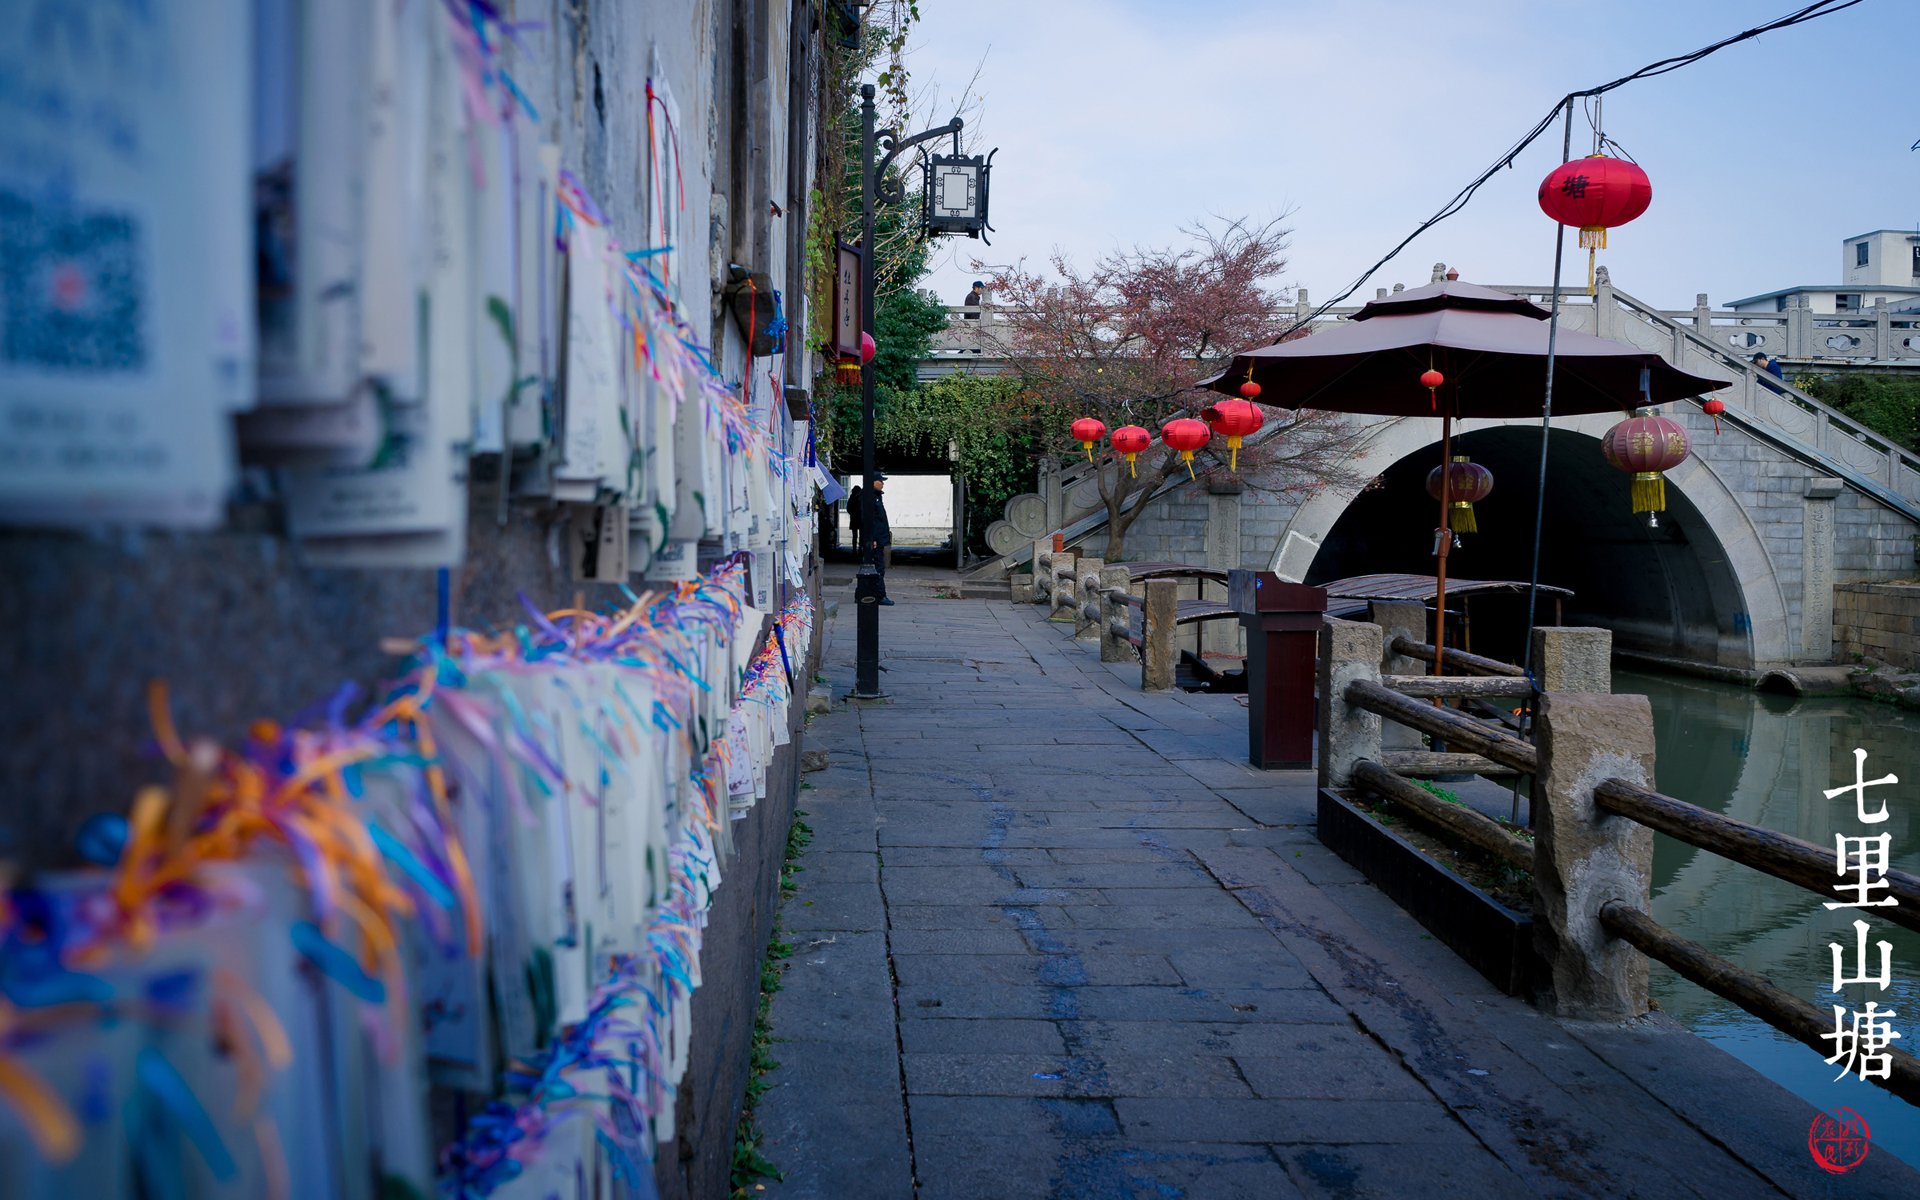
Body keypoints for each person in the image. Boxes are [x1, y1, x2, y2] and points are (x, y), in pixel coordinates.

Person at [865, 472, 894, 605]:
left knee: (872, 566)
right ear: (873, 482)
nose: (883, 483)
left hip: (879, 539)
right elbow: (869, 520)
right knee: (878, 568)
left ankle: (863, 592)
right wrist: (873, 539)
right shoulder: (869, 497)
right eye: (880, 481)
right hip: (875, 540)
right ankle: (880, 595)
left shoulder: (876, 496)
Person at [845, 483, 864, 551]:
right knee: (861, 535)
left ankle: (854, 549)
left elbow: (848, 509)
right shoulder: (861, 498)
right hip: (860, 518)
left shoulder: (851, 498)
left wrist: (852, 514)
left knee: (854, 535)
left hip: (853, 519)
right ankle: (860, 548)